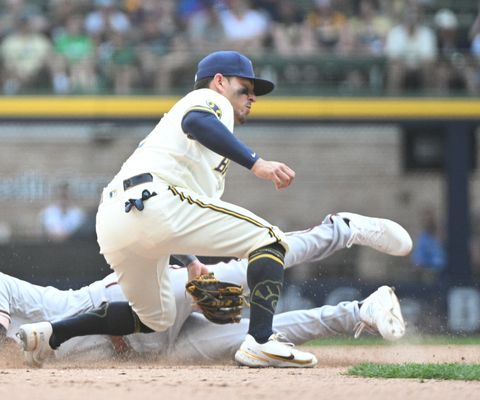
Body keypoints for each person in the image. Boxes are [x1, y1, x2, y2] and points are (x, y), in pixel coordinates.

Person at [18, 50, 315, 368]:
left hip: (116, 219)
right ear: (219, 82)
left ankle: (50, 334)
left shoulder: (191, 143)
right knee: (270, 239)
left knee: (155, 317)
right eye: (245, 87)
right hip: (154, 199)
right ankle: (260, 341)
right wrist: (257, 164)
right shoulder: (209, 100)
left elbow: (180, 207)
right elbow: (196, 121)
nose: (252, 97)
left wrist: (189, 261)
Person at [0, 212, 410, 366]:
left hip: (138, 301)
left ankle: (340, 229)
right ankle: (357, 311)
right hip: (148, 346)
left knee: (256, 264)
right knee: (250, 341)